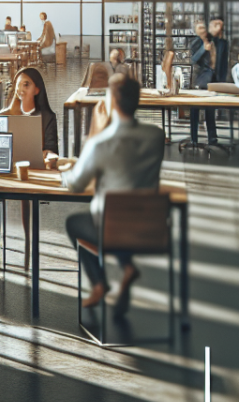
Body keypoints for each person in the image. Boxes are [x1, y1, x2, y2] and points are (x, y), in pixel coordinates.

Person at [63, 74, 165, 309]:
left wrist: (95, 132)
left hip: (112, 228)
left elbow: (76, 184)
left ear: (112, 103)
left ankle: (99, 283)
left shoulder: (101, 144)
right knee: (122, 217)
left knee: (75, 224)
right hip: (150, 227)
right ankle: (126, 265)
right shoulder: (156, 137)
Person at [0, 67, 59, 269]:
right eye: (18, 85)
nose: (21, 89)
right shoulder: (5, 114)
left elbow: (51, 149)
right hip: (6, 171)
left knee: (27, 196)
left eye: (26, 84)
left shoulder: (48, 117)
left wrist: (49, 157)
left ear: (37, 89)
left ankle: (27, 248)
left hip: (32, 172)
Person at [188, 19, 225, 145]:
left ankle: (212, 138)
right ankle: (193, 138)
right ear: (196, 30)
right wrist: (203, 49)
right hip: (200, 80)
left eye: (203, 27)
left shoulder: (212, 41)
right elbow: (193, 59)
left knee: (210, 110)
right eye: (200, 28)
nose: (202, 30)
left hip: (213, 80)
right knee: (195, 110)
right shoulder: (195, 43)